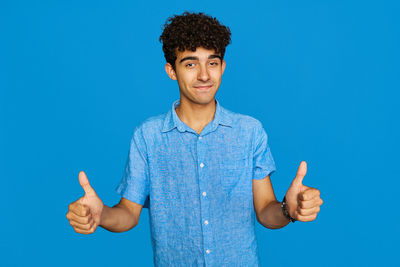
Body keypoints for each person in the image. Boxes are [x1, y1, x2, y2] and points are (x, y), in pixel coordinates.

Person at [66, 11, 323, 266]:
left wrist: (289, 210)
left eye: (212, 63)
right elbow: (128, 214)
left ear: (222, 66)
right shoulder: (148, 136)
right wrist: (101, 215)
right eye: (190, 64)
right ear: (171, 70)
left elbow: (266, 211)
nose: (203, 75)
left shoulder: (249, 131)